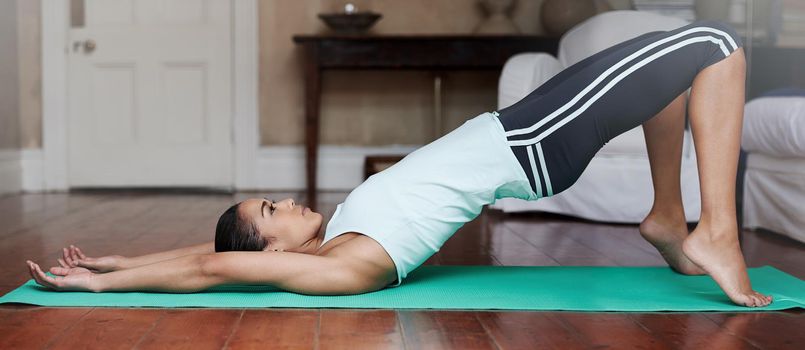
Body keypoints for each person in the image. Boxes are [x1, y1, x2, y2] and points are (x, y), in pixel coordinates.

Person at [26, 20, 772, 307]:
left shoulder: (337, 234)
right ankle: (718, 233)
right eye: (272, 213)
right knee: (716, 46)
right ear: (278, 254)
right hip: (533, 139)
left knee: (674, 71)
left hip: (523, 134)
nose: (284, 202)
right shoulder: (346, 265)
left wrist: (119, 263)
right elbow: (217, 270)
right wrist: (96, 290)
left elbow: (211, 254)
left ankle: (669, 220)